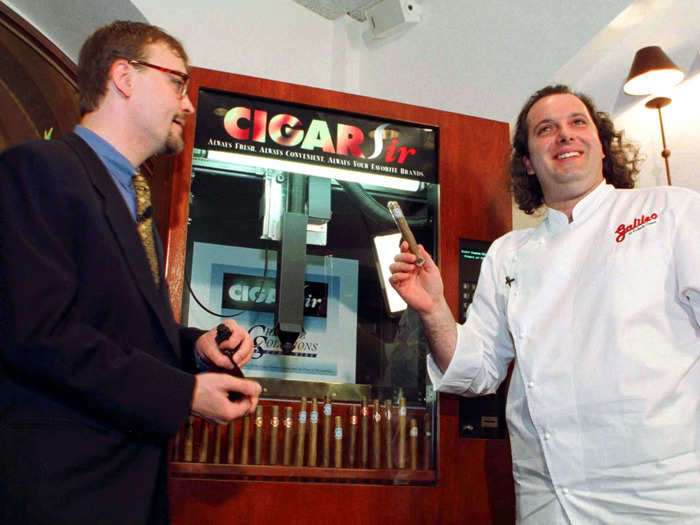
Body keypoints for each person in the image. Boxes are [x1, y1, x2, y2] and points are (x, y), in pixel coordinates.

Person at [389, 85, 699, 523]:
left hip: (664, 490)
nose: (565, 135)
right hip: (549, 494)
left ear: (602, 147)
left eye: (577, 123)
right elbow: (476, 373)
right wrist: (435, 309)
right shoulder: (508, 253)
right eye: (546, 129)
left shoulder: (671, 211)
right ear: (528, 163)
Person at [0, 21, 261, 525]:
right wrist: (184, 393)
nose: (188, 105)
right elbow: (38, 333)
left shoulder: (132, 196)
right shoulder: (38, 168)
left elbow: (116, 330)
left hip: (126, 491)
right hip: (60, 492)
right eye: (177, 83)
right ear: (124, 76)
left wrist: (195, 345)